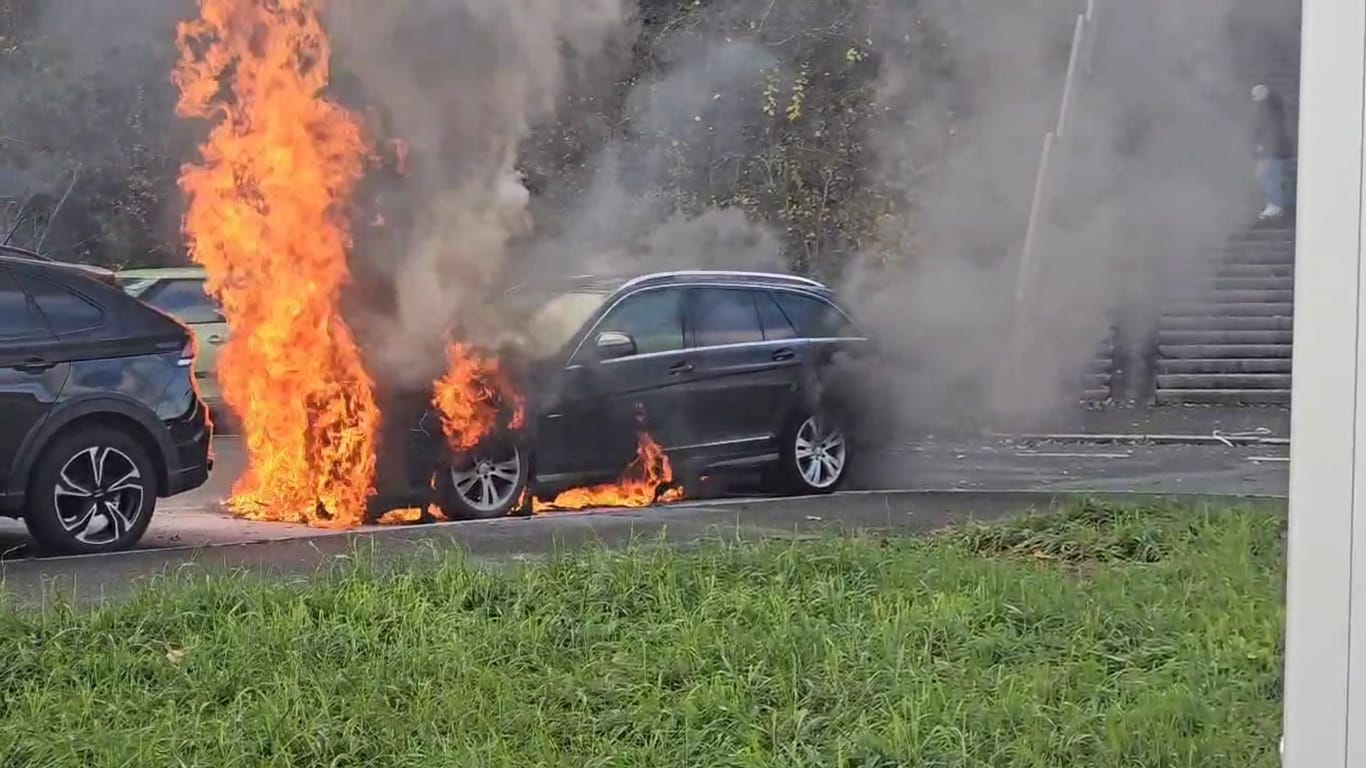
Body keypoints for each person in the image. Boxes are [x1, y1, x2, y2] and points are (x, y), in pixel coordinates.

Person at [1251, 83, 1295, 220]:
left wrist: (1261, 144)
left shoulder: (1272, 106)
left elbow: (1267, 127)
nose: (1255, 98)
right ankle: (1282, 203)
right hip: (1274, 148)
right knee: (1268, 174)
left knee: (1268, 174)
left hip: (1276, 148)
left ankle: (1276, 205)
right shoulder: (1264, 109)